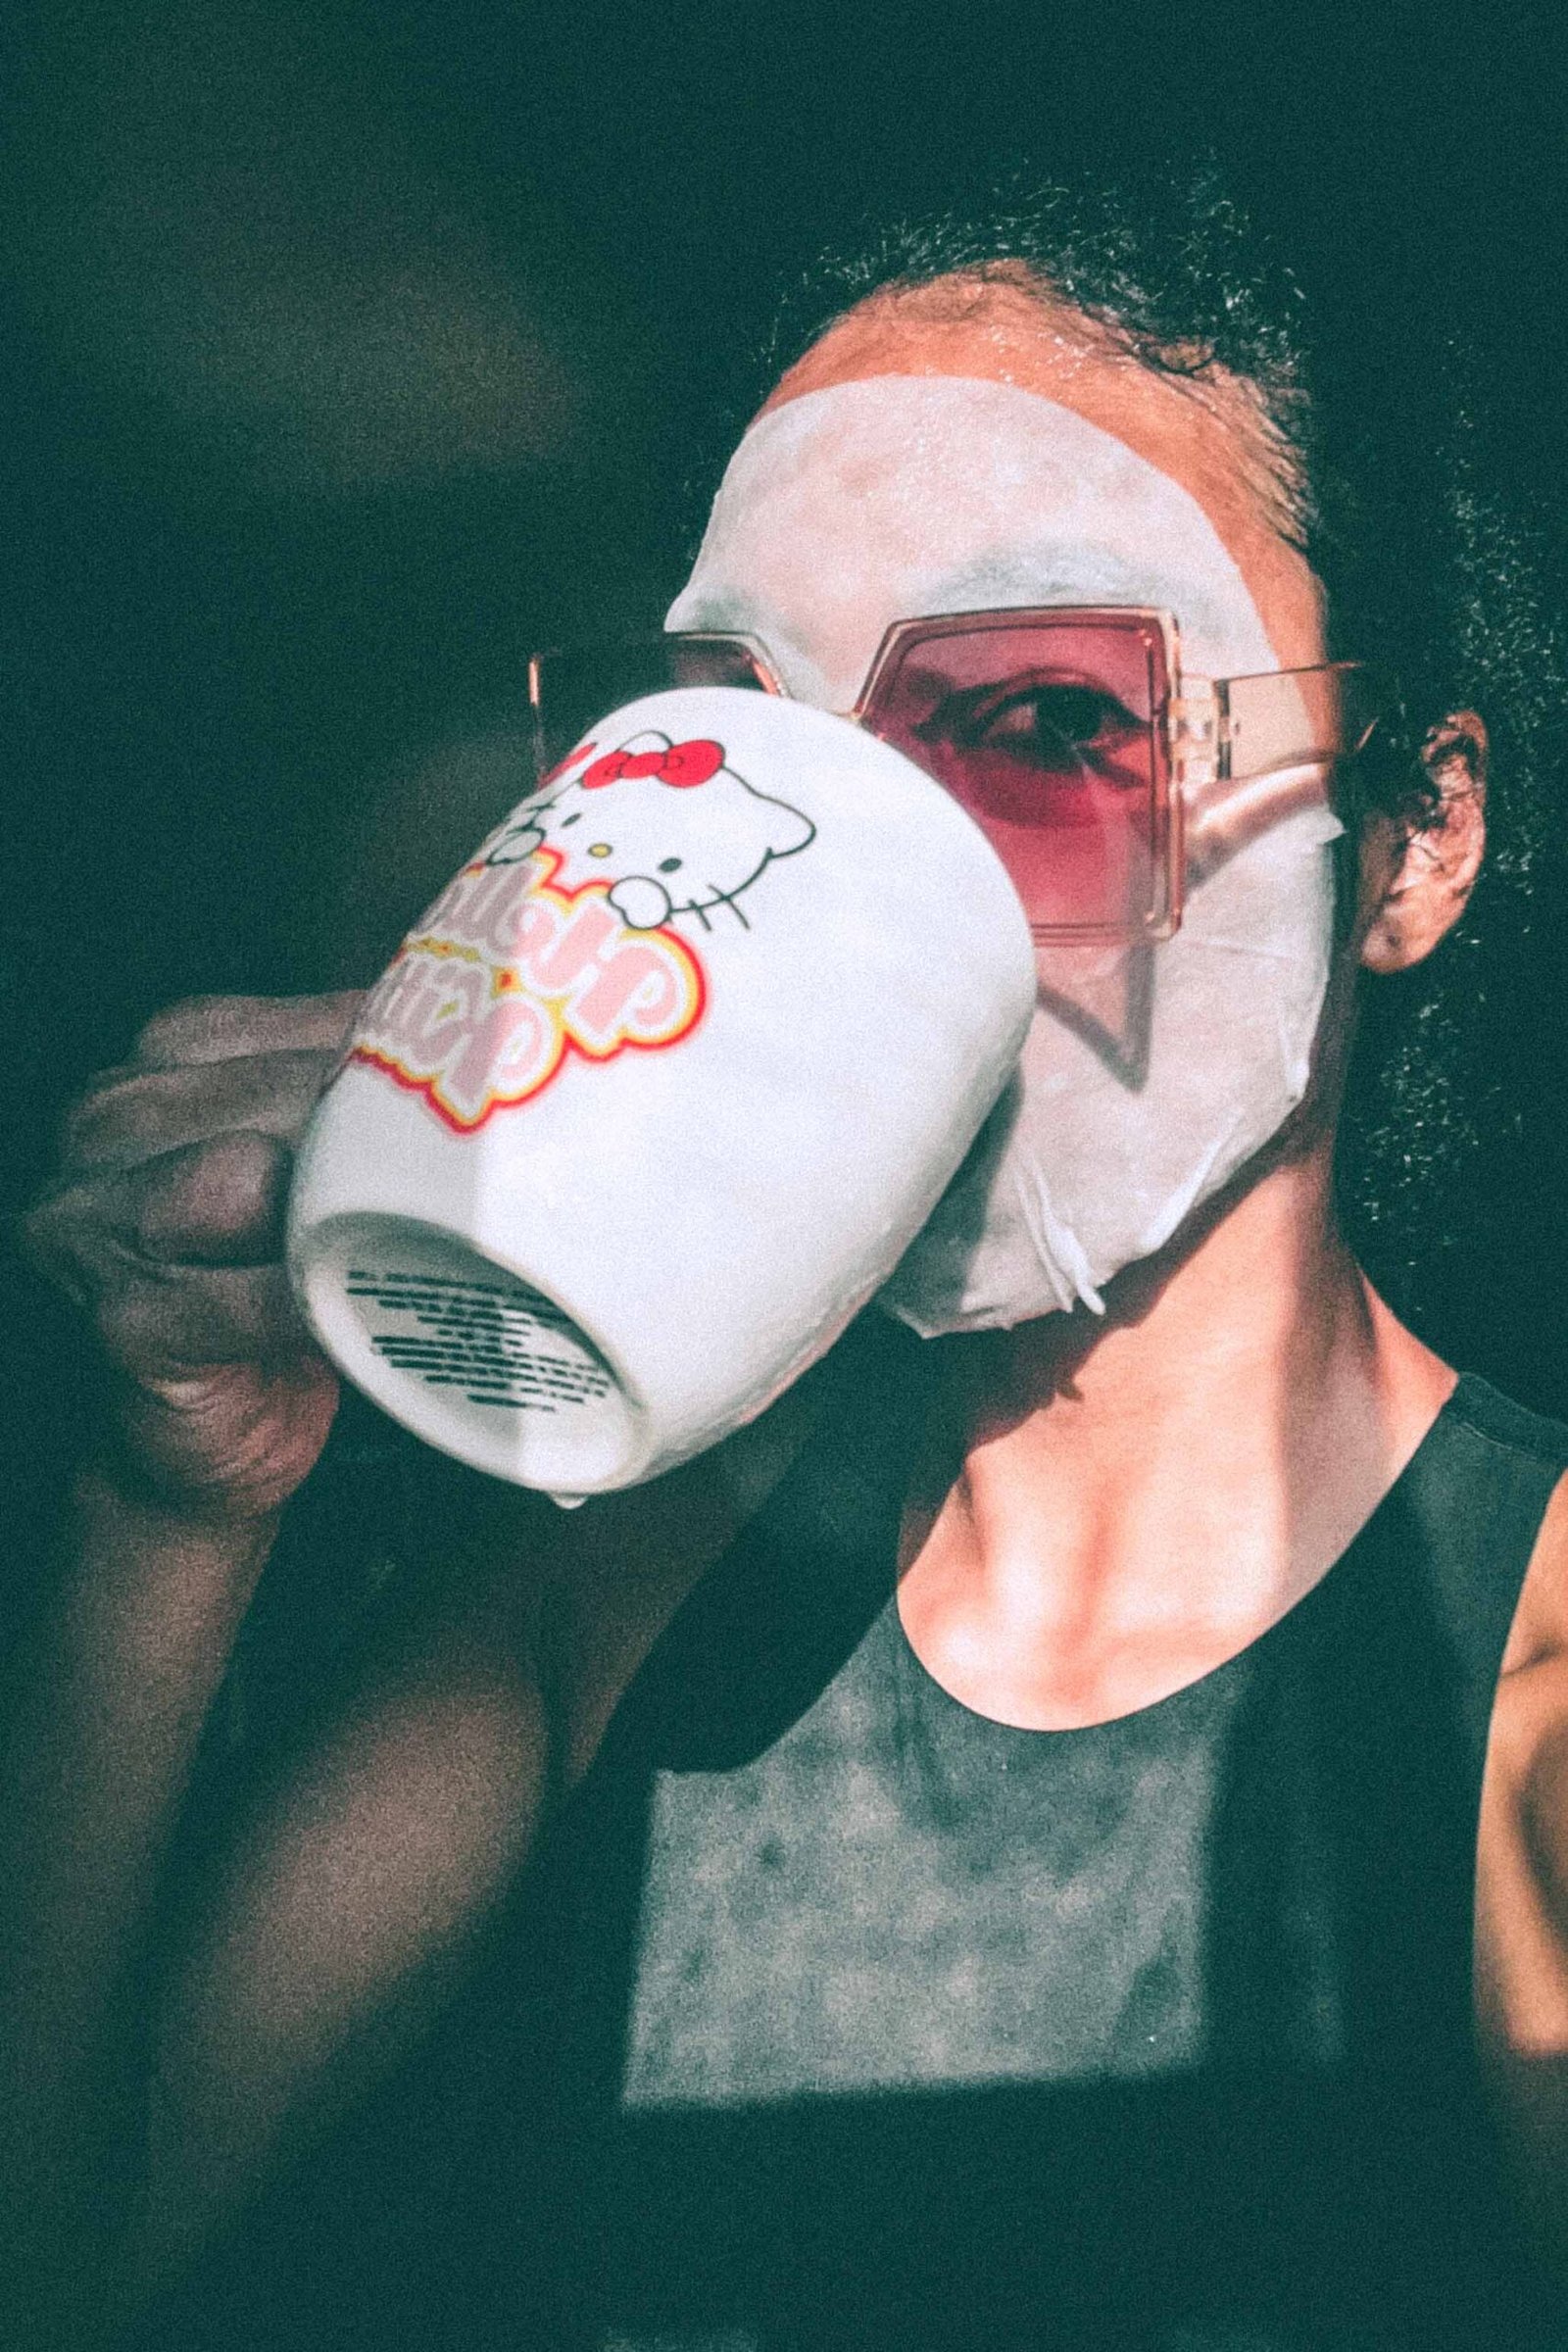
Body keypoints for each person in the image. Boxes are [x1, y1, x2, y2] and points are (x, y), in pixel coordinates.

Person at [7, 168, 1568, 2351]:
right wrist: (165, 1494)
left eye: (1043, 723)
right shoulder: (639, 1589)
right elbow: (53, 2262)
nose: (829, 867)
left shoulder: (1520, 1672)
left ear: (1407, 842)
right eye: (733, 737)